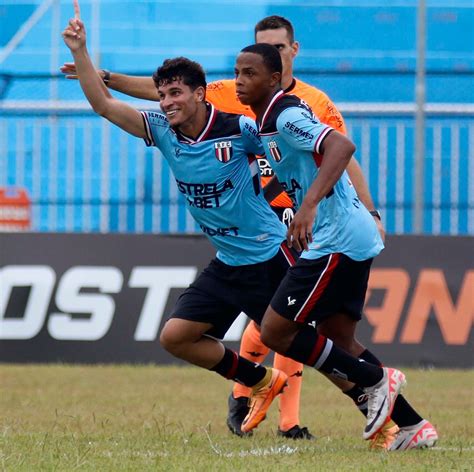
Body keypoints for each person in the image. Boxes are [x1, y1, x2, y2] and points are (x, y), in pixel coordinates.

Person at [62, 4, 406, 444]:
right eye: (162, 95)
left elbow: (319, 150)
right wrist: (82, 50)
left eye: (175, 94)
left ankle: (388, 420)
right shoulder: (162, 131)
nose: (166, 102)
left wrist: (339, 204)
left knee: (306, 343)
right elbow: (105, 106)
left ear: (202, 94)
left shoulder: (241, 129)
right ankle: (262, 383)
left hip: (269, 256)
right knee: (176, 337)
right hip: (228, 262)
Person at [233, 42, 438, 449]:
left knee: (276, 330)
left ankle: (377, 379)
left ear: (274, 79)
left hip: (337, 237)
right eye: (237, 72)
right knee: (338, 338)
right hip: (348, 235)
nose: (239, 81)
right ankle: (414, 427)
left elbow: (341, 146)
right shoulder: (266, 120)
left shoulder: (286, 114)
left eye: (249, 74)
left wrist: (307, 207)